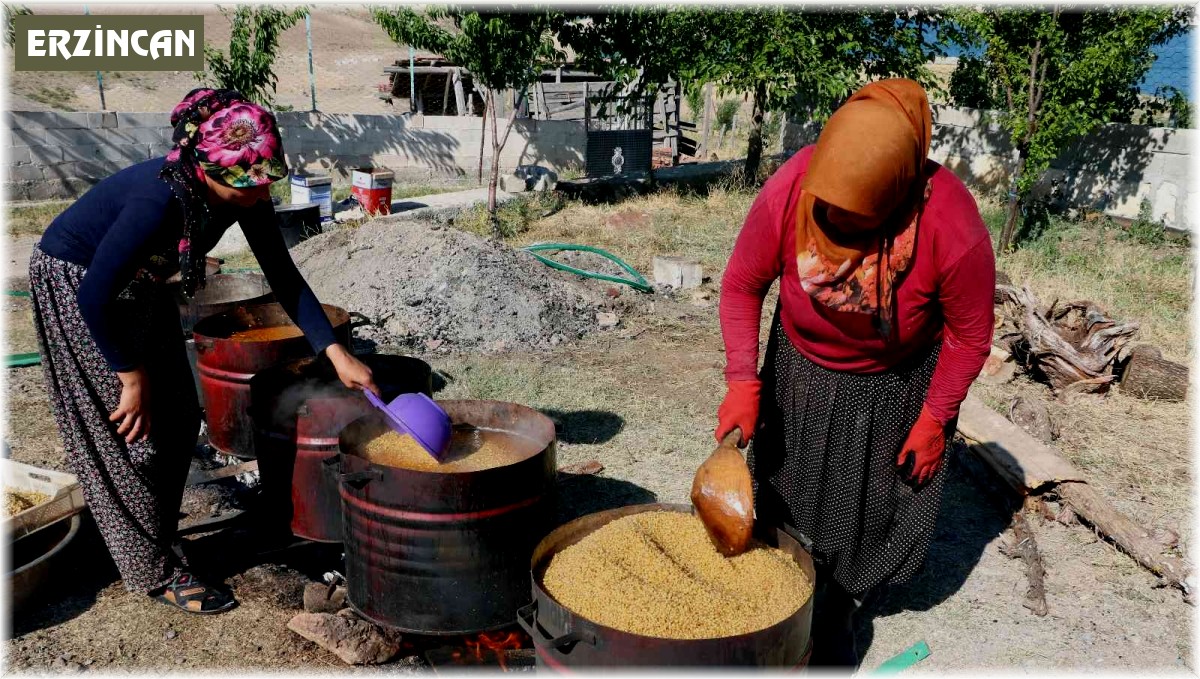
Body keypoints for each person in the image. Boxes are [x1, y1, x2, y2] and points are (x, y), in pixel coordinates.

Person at [29, 88, 378, 615]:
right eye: (247, 184)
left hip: (142, 284)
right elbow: (94, 295)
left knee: (179, 415)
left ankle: (153, 533)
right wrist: (130, 376)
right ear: (206, 171)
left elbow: (283, 276)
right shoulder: (157, 202)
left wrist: (335, 352)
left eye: (266, 181)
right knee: (134, 434)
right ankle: (153, 570)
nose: (260, 193)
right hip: (80, 285)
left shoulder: (246, 191)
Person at [715, 79, 995, 667]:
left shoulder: (949, 223)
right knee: (784, 489)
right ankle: (781, 596)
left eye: (855, 223)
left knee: (862, 515)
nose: (837, 229)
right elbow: (742, 284)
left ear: (896, 199)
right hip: (799, 371)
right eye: (829, 217)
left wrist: (935, 420)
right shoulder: (790, 188)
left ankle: (838, 607)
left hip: (892, 388)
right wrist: (743, 380)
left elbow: (969, 336)